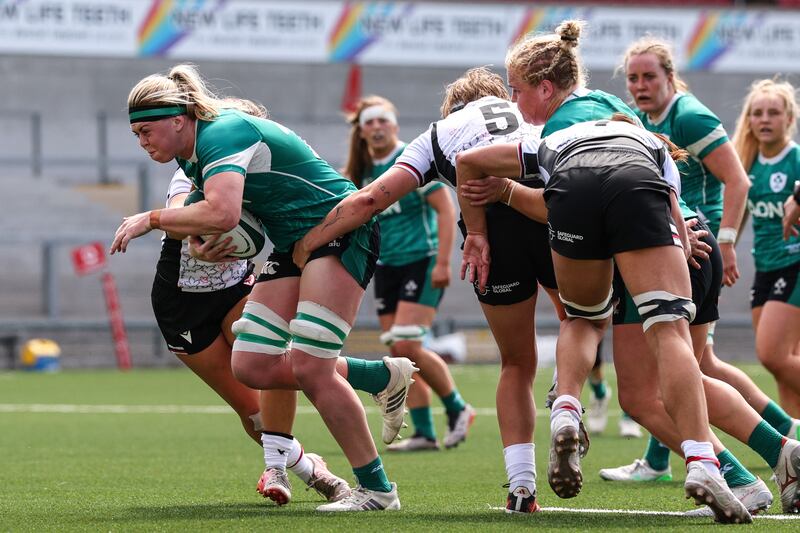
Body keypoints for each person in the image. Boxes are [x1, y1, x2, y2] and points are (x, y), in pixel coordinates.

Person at [458, 21, 749, 523]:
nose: (512, 99)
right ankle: (703, 460)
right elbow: (666, 177)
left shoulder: (546, 133)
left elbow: (468, 161)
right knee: (670, 331)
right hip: (640, 174)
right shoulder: (627, 118)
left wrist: (478, 233)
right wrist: (677, 237)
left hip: (570, 182)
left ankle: (567, 408)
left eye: (517, 89)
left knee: (584, 319)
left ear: (546, 89)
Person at [111, 64, 419, 512]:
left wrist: (151, 218)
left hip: (337, 230)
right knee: (251, 364)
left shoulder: (222, 132)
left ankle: (377, 490)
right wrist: (203, 242)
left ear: (179, 119)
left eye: (146, 130)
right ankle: (377, 376)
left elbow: (224, 213)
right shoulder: (191, 153)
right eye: (136, 135)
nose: (142, 142)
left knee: (313, 369)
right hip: (295, 242)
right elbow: (218, 219)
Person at [293, 67, 562, 514]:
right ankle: (568, 400)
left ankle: (521, 488)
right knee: (582, 322)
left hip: (489, 238)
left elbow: (368, 200)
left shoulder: (438, 135)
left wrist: (307, 242)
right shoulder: (535, 113)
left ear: (451, 108)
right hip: (552, 215)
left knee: (516, 362)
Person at [602, 38, 800, 484]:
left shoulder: (688, 115)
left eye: (649, 76)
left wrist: (726, 242)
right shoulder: (647, 119)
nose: (640, 85)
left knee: (672, 373)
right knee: (693, 366)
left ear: (670, 76)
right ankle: (783, 441)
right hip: (681, 243)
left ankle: (748, 459)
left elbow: (737, 180)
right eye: (633, 78)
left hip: (692, 248)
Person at [153, 163, 349, 504]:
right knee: (253, 414)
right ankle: (310, 466)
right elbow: (176, 210)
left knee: (271, 358)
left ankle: (279, 468)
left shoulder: (260, 178)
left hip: (235, 286)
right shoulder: (197, 171)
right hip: (181, 305)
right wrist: (195, 232)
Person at [343, 95, 475, 452]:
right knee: (399, 354)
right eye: (368, 121)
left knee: (407, 344)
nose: (376, 127)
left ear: (394, 124)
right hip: (387, 267)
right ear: (361, 130)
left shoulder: (411, 158)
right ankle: (424, 433)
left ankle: (458, 407)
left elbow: (445, 211)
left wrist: (445, 262)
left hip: (422, 260)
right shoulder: (360, 169)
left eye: (382, 119)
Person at [732, 78, 800, 424]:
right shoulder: (747, 163)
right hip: (766, 266)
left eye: (774, 112)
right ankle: (795, 447)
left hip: (795, 263)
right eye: (757, 113)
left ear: (790, 119)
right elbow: (737, 215)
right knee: (783, 363)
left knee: (773, 355)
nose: (765, 119)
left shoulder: (796, 158)